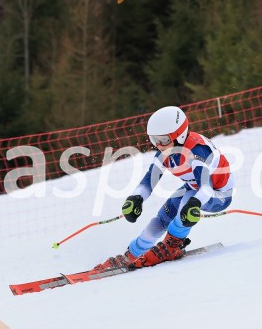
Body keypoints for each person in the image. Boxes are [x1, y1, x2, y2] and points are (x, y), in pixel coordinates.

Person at [95, 106, 233, 270]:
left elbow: (206, 188)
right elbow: (149, 181)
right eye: (154, 140)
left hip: (219, 194)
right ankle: (133, 253)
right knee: (163, 217)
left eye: (164, 139)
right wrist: (136, 198)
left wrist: (194, 204)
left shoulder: (197, 152)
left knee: (187, 202)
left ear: (179, 135)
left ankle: (172, 245)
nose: (159, 145)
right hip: (192, 187)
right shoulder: (164, 153)